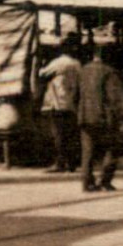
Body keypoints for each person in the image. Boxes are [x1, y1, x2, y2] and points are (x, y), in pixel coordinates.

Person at [76, 46, 123, 193]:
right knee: (112, 148)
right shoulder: (109, 72)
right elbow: (115, 98)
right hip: (104, 117)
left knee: (87, 151)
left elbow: (76, 94)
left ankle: (86, 183)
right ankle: (105, 181)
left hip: (85, 116)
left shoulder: (83, 71)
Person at [37, 41, 82, 174]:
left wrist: (41, 64)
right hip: (70, 103)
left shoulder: (58, 63)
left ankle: (60, 163)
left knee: (58, 134)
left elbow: (42, 74)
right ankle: (71, 163)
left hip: (57, 103)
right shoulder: (77, 64)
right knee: (70, 134)